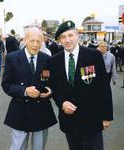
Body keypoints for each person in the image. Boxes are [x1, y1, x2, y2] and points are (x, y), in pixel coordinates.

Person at [48, 20, 113, 150]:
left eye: (70, 35)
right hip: (69, 120)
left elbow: (104, 87)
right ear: (59, 40)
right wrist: (62, 103)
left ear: (77, 36)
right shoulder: (54, 61)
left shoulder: (94, 55)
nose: (67, 40)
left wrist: (107, 116)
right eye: (63, 37)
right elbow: (54, 88)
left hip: (92, 118)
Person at [1, 27, 57, 150]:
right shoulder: (12, 58)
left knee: (39, 147)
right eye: (32, 40)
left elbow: (52, 82)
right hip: (20, 110)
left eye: (39, 41)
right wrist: (24, 91)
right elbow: (6, 84)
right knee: (18, 147)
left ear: (42, 42)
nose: (35, 45)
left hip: (41, 111)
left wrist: (50, 90)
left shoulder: (47, 59)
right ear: (25, 40)